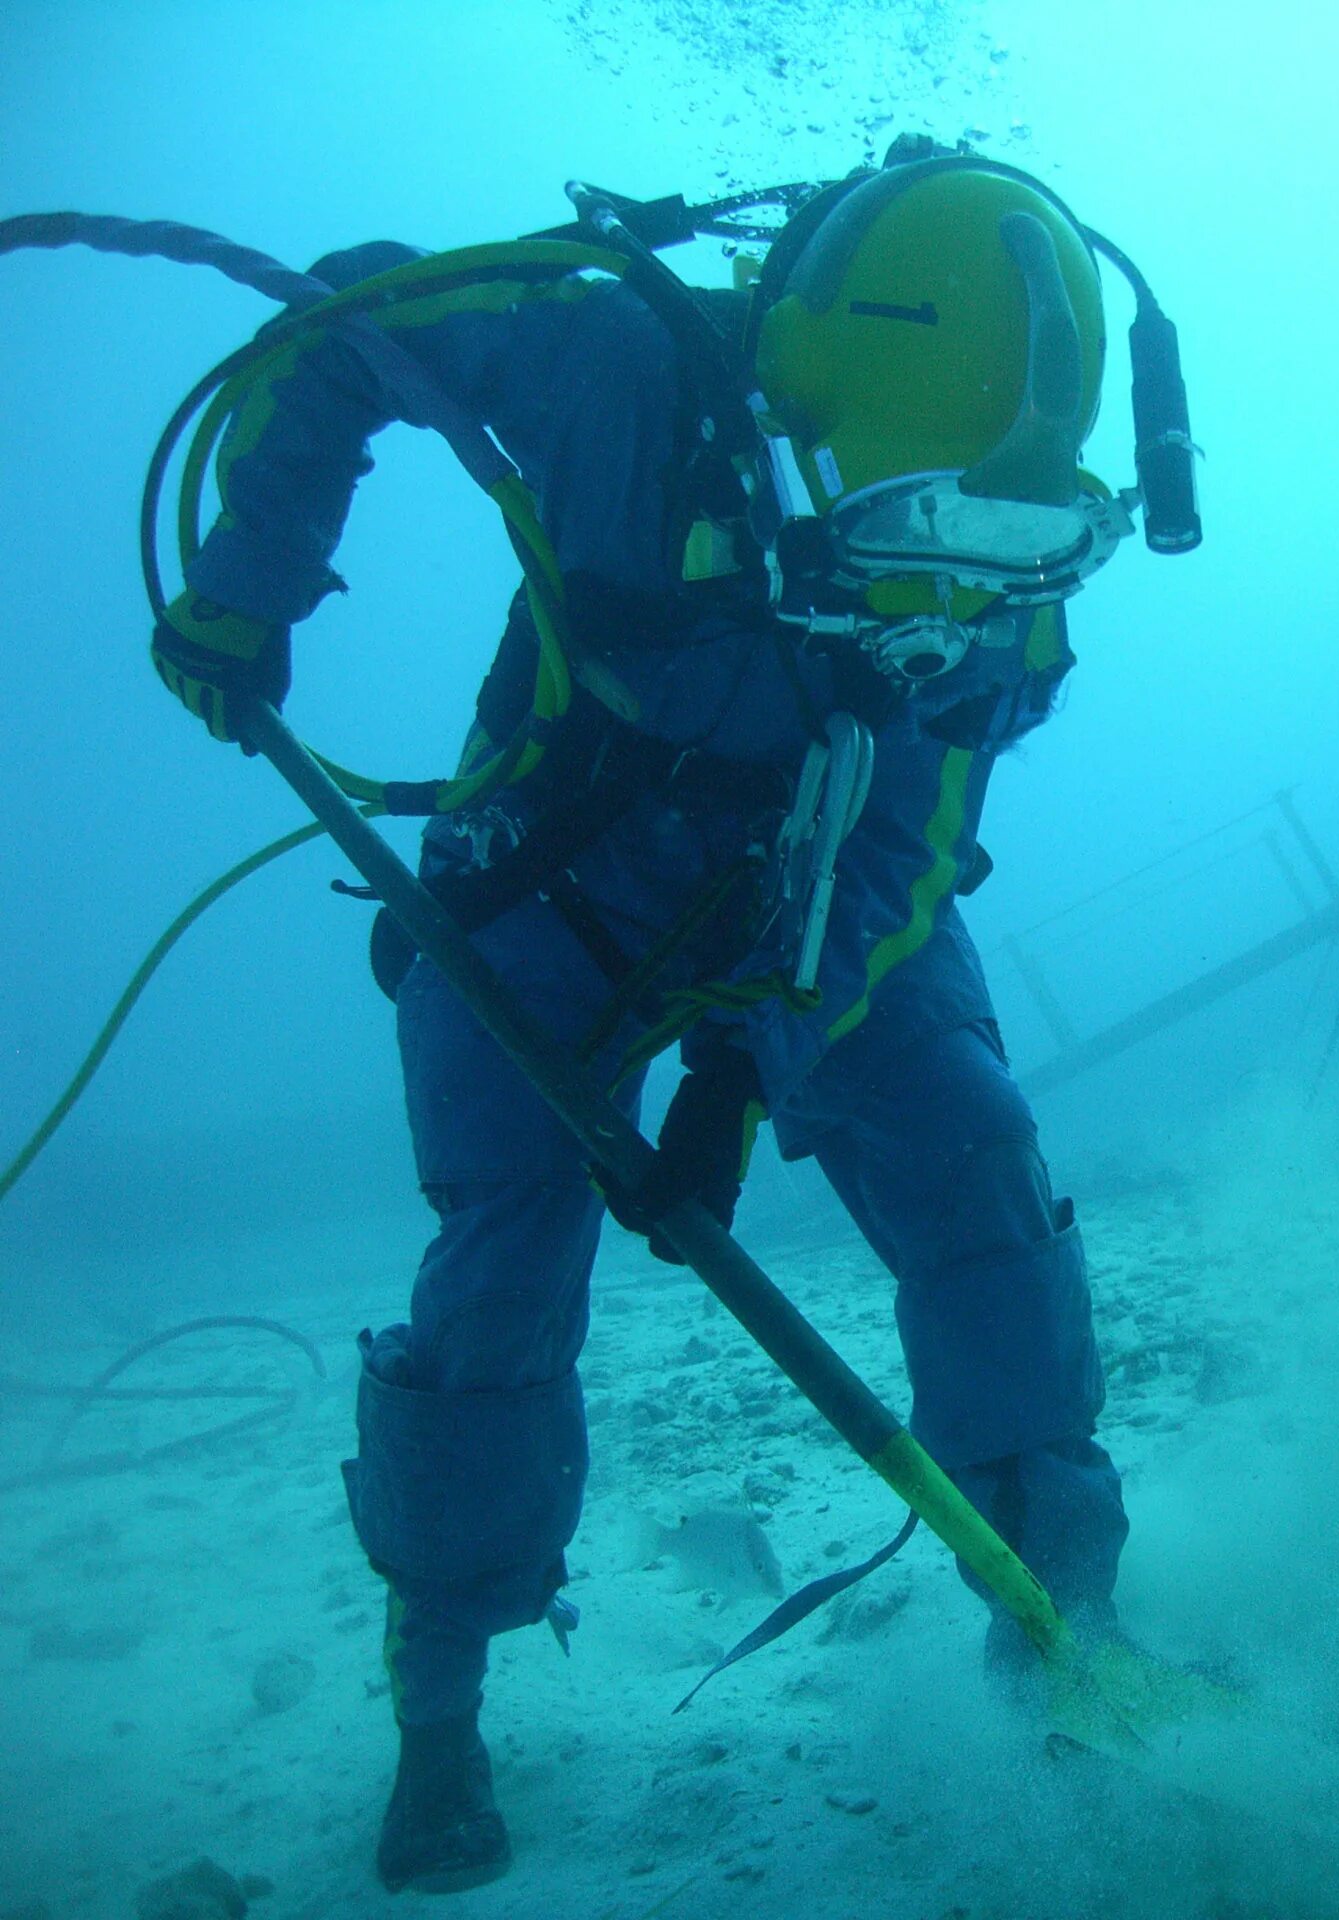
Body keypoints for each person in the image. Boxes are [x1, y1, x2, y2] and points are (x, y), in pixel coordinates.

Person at [149, 141, 1149, 1894]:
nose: (947, 602)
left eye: (1009, 550)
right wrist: (251, 572)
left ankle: (1060, 1621)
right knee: (501, 1271)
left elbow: (908, 855)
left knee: (976, 1163)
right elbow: (343, 314)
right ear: (805, 417)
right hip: (551, 882)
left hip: (831, 898)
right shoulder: (614, 370)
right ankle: (440, 1700)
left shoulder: (998, 587)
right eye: (910, 527)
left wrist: (745, 1076)